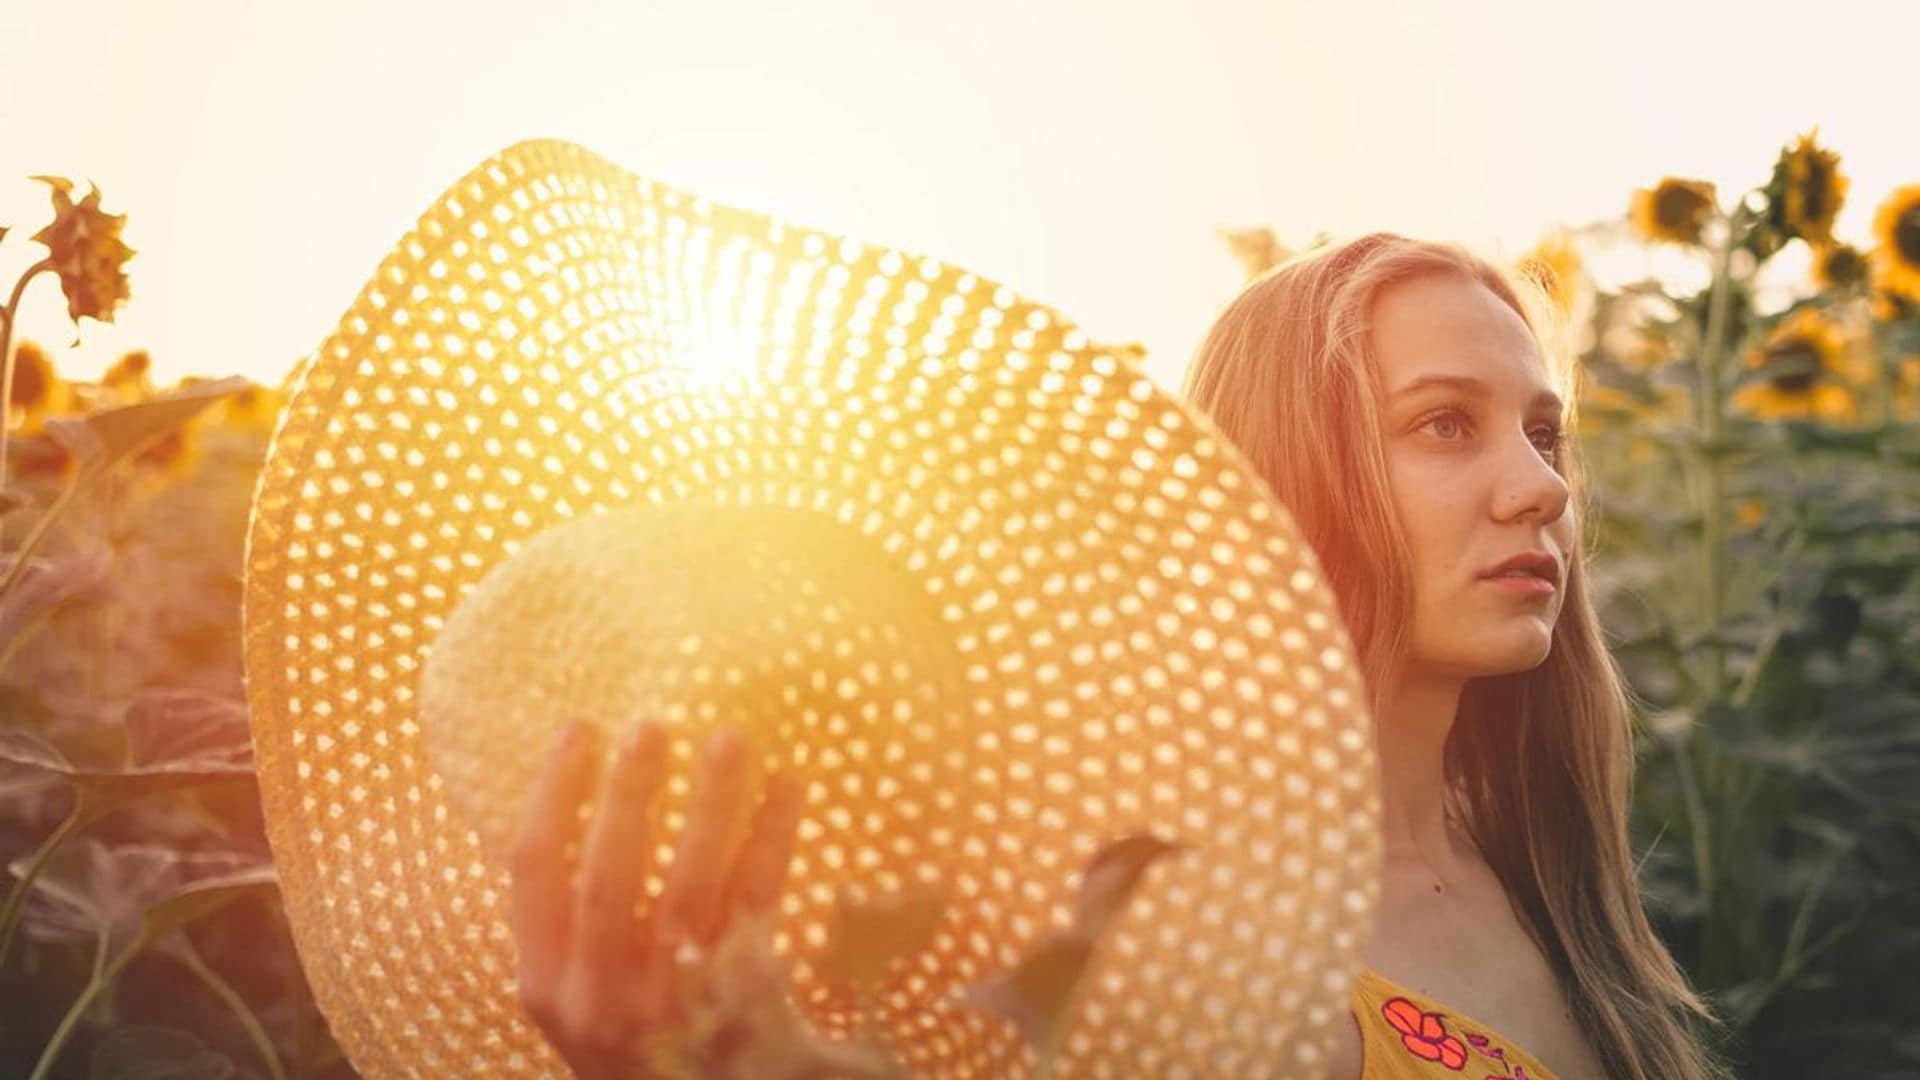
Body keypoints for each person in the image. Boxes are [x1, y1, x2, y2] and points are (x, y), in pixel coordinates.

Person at [509, 233, 1732, 1079]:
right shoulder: (1160, 928)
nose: (1538, 491)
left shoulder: (1550, 860)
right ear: (1286, 477)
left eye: (1543, 432)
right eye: (1442, 426)